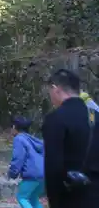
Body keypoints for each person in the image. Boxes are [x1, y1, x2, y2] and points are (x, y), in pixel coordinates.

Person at [43, 69, 99, 208]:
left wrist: (54, 202)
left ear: (55, 89)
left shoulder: (55, 119)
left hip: (69, 197)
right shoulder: (95, 116)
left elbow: (53, 168)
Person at [8, 115, 45, 208]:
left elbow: (18, 158)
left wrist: (12, 173)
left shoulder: (19, 139)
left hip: (32, 175)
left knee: (22, 197)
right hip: (44, 175)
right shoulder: (33, 140)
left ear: (14, 127)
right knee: (33, 198)